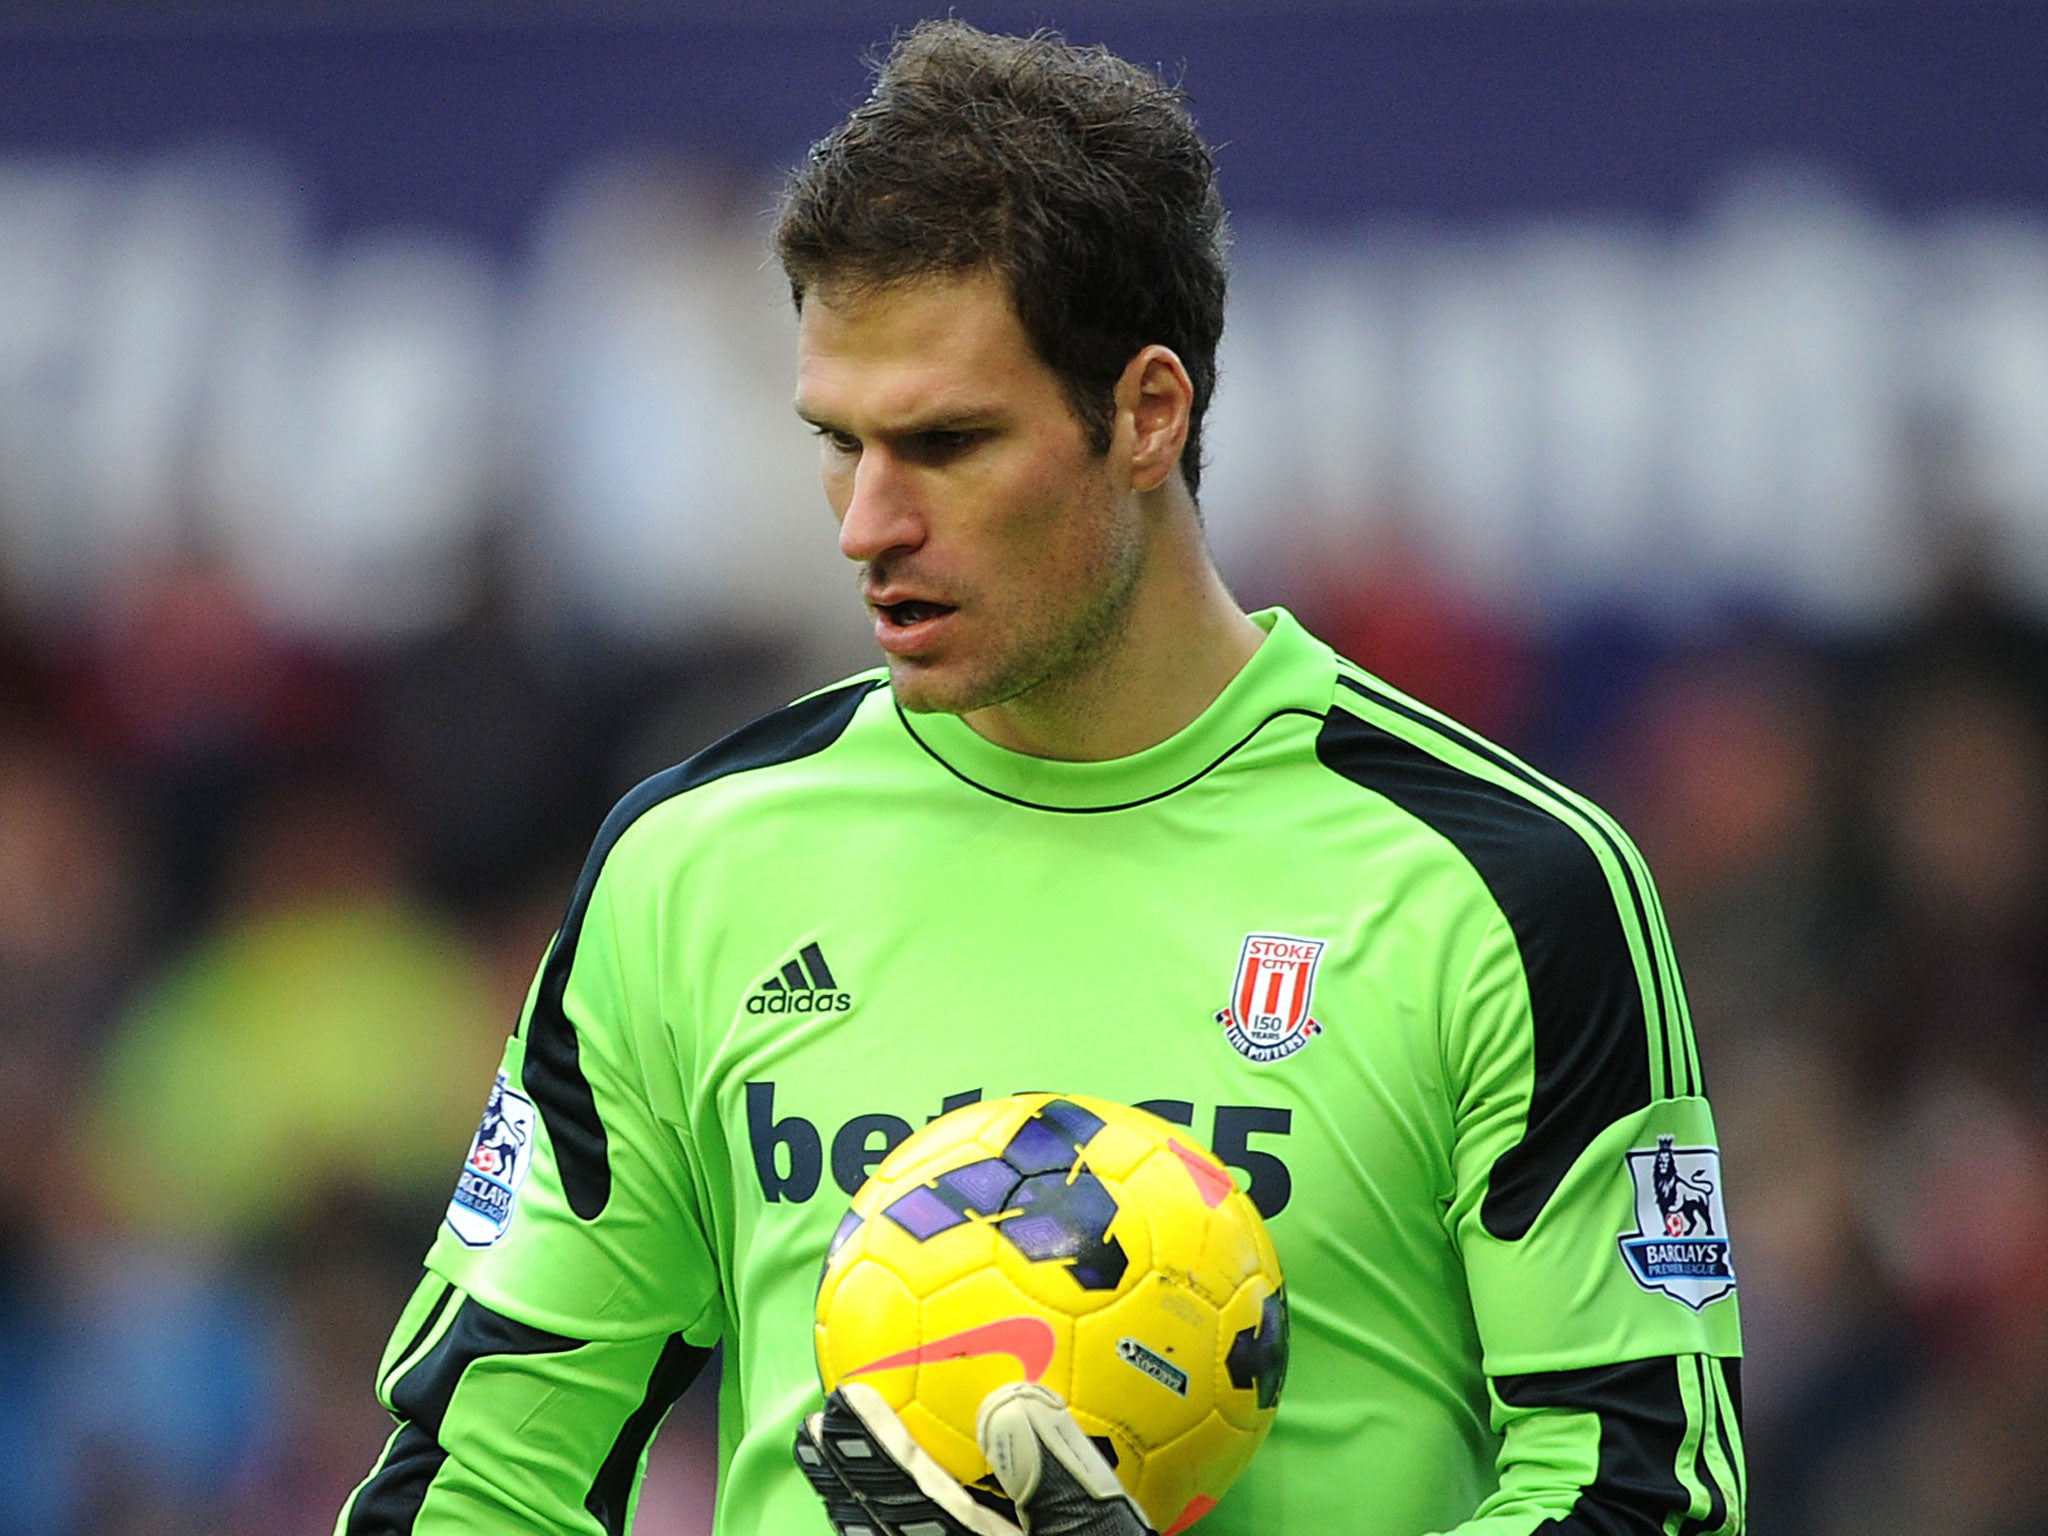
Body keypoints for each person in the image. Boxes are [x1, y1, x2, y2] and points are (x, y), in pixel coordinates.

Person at [336, 20, 1744, 1536]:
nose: (867, 523)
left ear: (1148, 413)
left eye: (947, 442)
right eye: (838, 443)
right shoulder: (693, 865)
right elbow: (477, 1480)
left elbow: (1644, 1491)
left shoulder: (1504, 885)